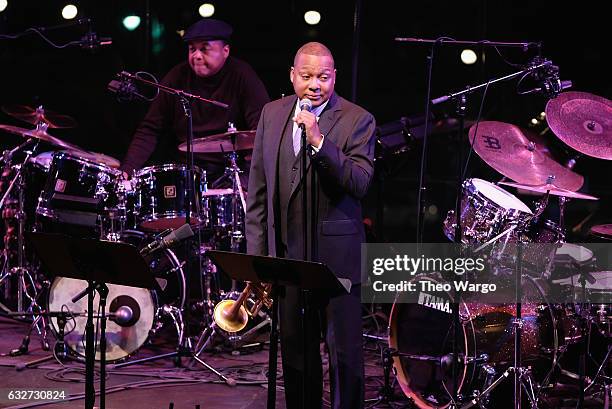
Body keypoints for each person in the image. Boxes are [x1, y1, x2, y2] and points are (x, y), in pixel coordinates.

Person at [245, 42, 376, 409]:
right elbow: (258, 190)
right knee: (297, 358)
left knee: (344, 359)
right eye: (306, 76)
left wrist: (319, 140)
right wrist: (259, 260)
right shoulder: (272, 114)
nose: (314, 84)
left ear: (334, 77)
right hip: (287, 262)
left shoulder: (357, 119)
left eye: (323, 77)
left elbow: (359, 182)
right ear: (292, 75)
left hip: (338, 264)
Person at [120, 18, 270, 179]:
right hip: (187, 172)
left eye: (204, 49)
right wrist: (127, 170)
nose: (196, 56)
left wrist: (251, 177)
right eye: (192, 49)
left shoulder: (243, 76)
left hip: (231, 173)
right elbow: (150, 129)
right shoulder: (176, 77)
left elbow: (261, 129)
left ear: (225, 51)